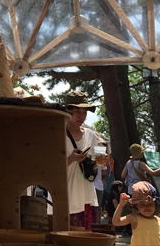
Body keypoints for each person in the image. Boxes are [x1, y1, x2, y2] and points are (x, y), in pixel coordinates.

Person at [65, 91, 100, 230]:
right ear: (67, 111)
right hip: (66, 194)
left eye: (84, 112)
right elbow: (50, 168)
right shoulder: (56, 132)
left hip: (87, 194)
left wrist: (100, 161)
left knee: (87, 236)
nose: (81, 116)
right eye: (77, 111)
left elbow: (96, 162)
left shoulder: (91, 135)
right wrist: (71, 159)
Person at [112, 181, 160, 246]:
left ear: (155, 204)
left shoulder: (159, 220)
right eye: (142, 205)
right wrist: (121, 205)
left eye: (150, 204)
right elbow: (116, 222)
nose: (147, 207)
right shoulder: (134, 218)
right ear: (136, 206)